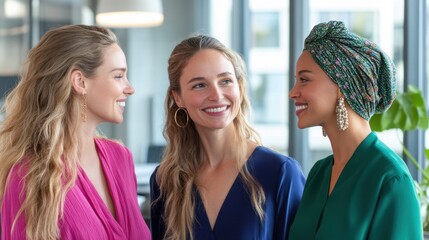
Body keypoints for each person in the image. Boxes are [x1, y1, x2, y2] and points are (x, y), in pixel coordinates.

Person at [0, 25, 151, 240]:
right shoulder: (29, 176)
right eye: (118, 76)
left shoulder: (121, 157)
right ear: (80, 82)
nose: (130, 88)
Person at [150, 34, 306, 240]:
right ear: (178, 97)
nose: (216, 95)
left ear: (239, 88)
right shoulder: (165, 181)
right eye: (199, 85)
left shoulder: (280, 173)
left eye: (225, 81)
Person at [288, 21, 422, 239]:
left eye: (304, 80)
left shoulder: (391, 179)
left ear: (342, 85)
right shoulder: (318, 174)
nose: (292, 92)